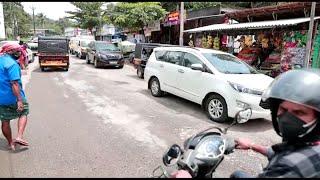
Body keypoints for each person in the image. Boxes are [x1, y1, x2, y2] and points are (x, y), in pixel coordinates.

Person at [172, 69, 320, 178]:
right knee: (237, 175)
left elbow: (285, 160)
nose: (288, 118)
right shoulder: (311, 147)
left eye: (299, 113)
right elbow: (282, 153)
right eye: (283, 109)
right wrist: (252, 146)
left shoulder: (288, 168)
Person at [0, 42, 30, 151]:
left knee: (5, 120)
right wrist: (19, 100)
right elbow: (14, 84)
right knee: (24, 112)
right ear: (9, 51)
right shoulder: (11, 64)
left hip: (1, 99)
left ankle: (10, 143)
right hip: (13, 97)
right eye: (16, 50)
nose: (18, 52)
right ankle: (19, 136)